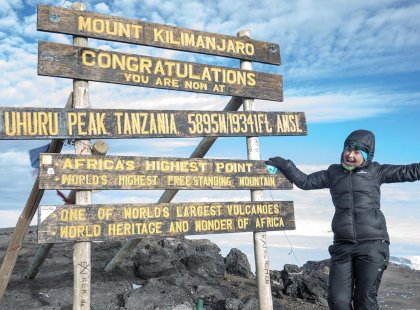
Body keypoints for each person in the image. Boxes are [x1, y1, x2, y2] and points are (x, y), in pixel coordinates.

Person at [265, 129, 420, 310]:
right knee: (337, 301)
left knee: (365, 301)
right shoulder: (333, 172)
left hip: (372, 245)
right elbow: (306, 182)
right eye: (348, 149)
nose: (350, 155)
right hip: (342, 246)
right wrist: (285, 164)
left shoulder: (376, 171)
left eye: (357, 152)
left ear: (367, 156)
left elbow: (410, 171)